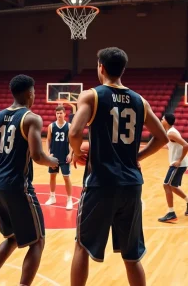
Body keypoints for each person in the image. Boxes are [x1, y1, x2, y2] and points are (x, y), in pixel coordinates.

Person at [68, 47, 168, 286]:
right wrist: (138, 156)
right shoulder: (140, 101)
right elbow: (162, 137)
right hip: (131, 185)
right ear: (123, 69)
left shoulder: (91, 95)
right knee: (131, 256)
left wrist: (75, 150)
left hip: (101, 184)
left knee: (82, 246)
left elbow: (74, 131)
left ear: (100, 67)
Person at [0, 74, 58, 286]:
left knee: (11, 237)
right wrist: (53, 162)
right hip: (17, 186)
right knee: (37, 242)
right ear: (30, 94)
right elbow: (38, 156)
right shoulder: (31, 118)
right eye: (35, 93)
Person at [158, 113, 188, 222]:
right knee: (173, 186)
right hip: (180, 164)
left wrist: (179, 160)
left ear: (166, 121)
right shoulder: (171, 132)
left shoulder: (171, 133)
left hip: (178, 164)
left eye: (162, 119)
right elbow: (174, 145)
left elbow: (186, 145)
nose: (161, 120)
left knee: (167, 185)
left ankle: (171, 213)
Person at [45, 105, 73, 210]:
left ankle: (69, 199)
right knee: (52, 176)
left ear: (65, 114)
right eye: (57, 113)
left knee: (66, 177)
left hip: (65, 156)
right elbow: (48, 140)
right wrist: (48, 152)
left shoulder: (69, 126)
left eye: (61, 113)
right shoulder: (51, 126)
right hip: (54, 157)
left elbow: (71, 142)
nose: (59, 115)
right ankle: (52, 197)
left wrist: (70, 154)